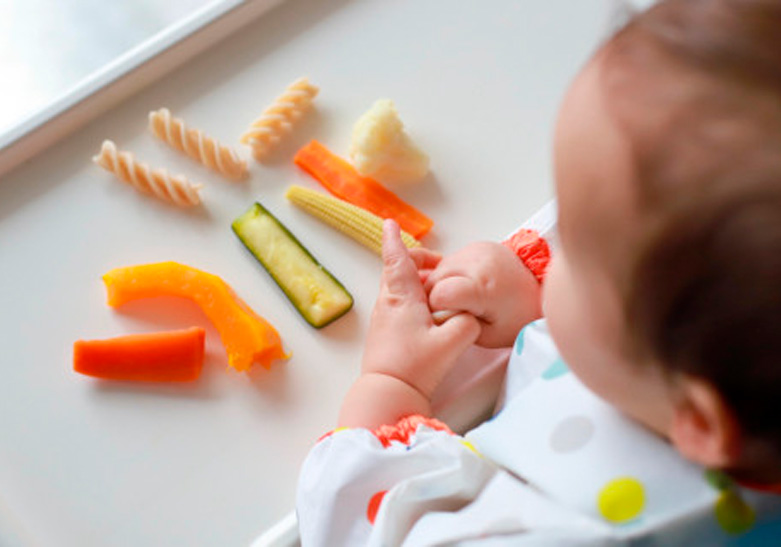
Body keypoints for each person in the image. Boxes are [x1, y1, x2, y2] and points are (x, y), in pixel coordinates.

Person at [297, 0, 781, 544]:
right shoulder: (710, 366)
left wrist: (391, 385)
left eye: (569, 245)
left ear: (698, 420)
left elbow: (361, 532)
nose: (548, 249)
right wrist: (525, 302)